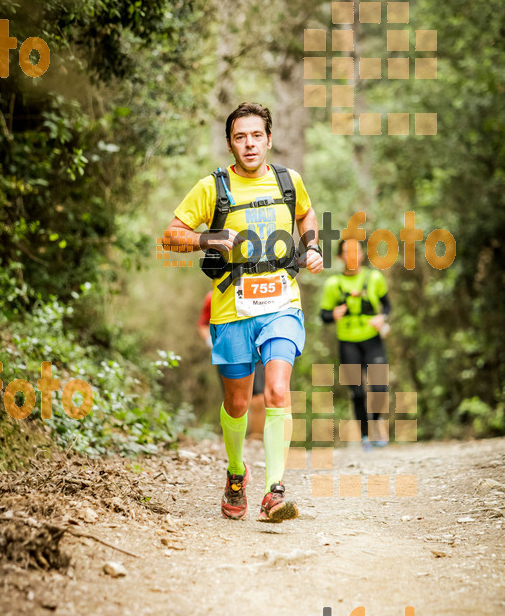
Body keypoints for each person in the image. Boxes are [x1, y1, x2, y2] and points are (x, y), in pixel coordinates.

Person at [163, 101, 322, 521]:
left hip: (282, 302)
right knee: (236, 403)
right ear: (230, 144)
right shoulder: (212, 187)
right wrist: (210, 238)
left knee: (277, 391)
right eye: (240, 137)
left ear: (269, 139)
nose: (249, 144)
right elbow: (170, 235)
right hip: (232, 307)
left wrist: (313, 246)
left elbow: (305, 213)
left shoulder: (289, 181)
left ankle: (275, 489)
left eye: (256, 136)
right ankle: (236, 473)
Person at [320, 239, 391, 451]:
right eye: (346, 252)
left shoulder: (374, 278)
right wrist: (333, 314)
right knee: (357, 392)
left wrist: (383, 318)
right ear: (340, 257)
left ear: (361, 254)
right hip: (347, 342)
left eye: (355, 251)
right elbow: (323, 315)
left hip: (372, 340)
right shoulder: (333, 284)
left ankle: (376, 421)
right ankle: (365, 436)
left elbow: (387, 305)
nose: (351, 255)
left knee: (380, 388)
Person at [198, 289, 266, 438]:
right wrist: (209, 340)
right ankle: (235, 438)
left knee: (259, 397)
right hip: (228, 349)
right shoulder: (213, 296)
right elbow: (203, 324)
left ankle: (256, 437)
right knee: (234, 400)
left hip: (256, 348)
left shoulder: (257, 289)